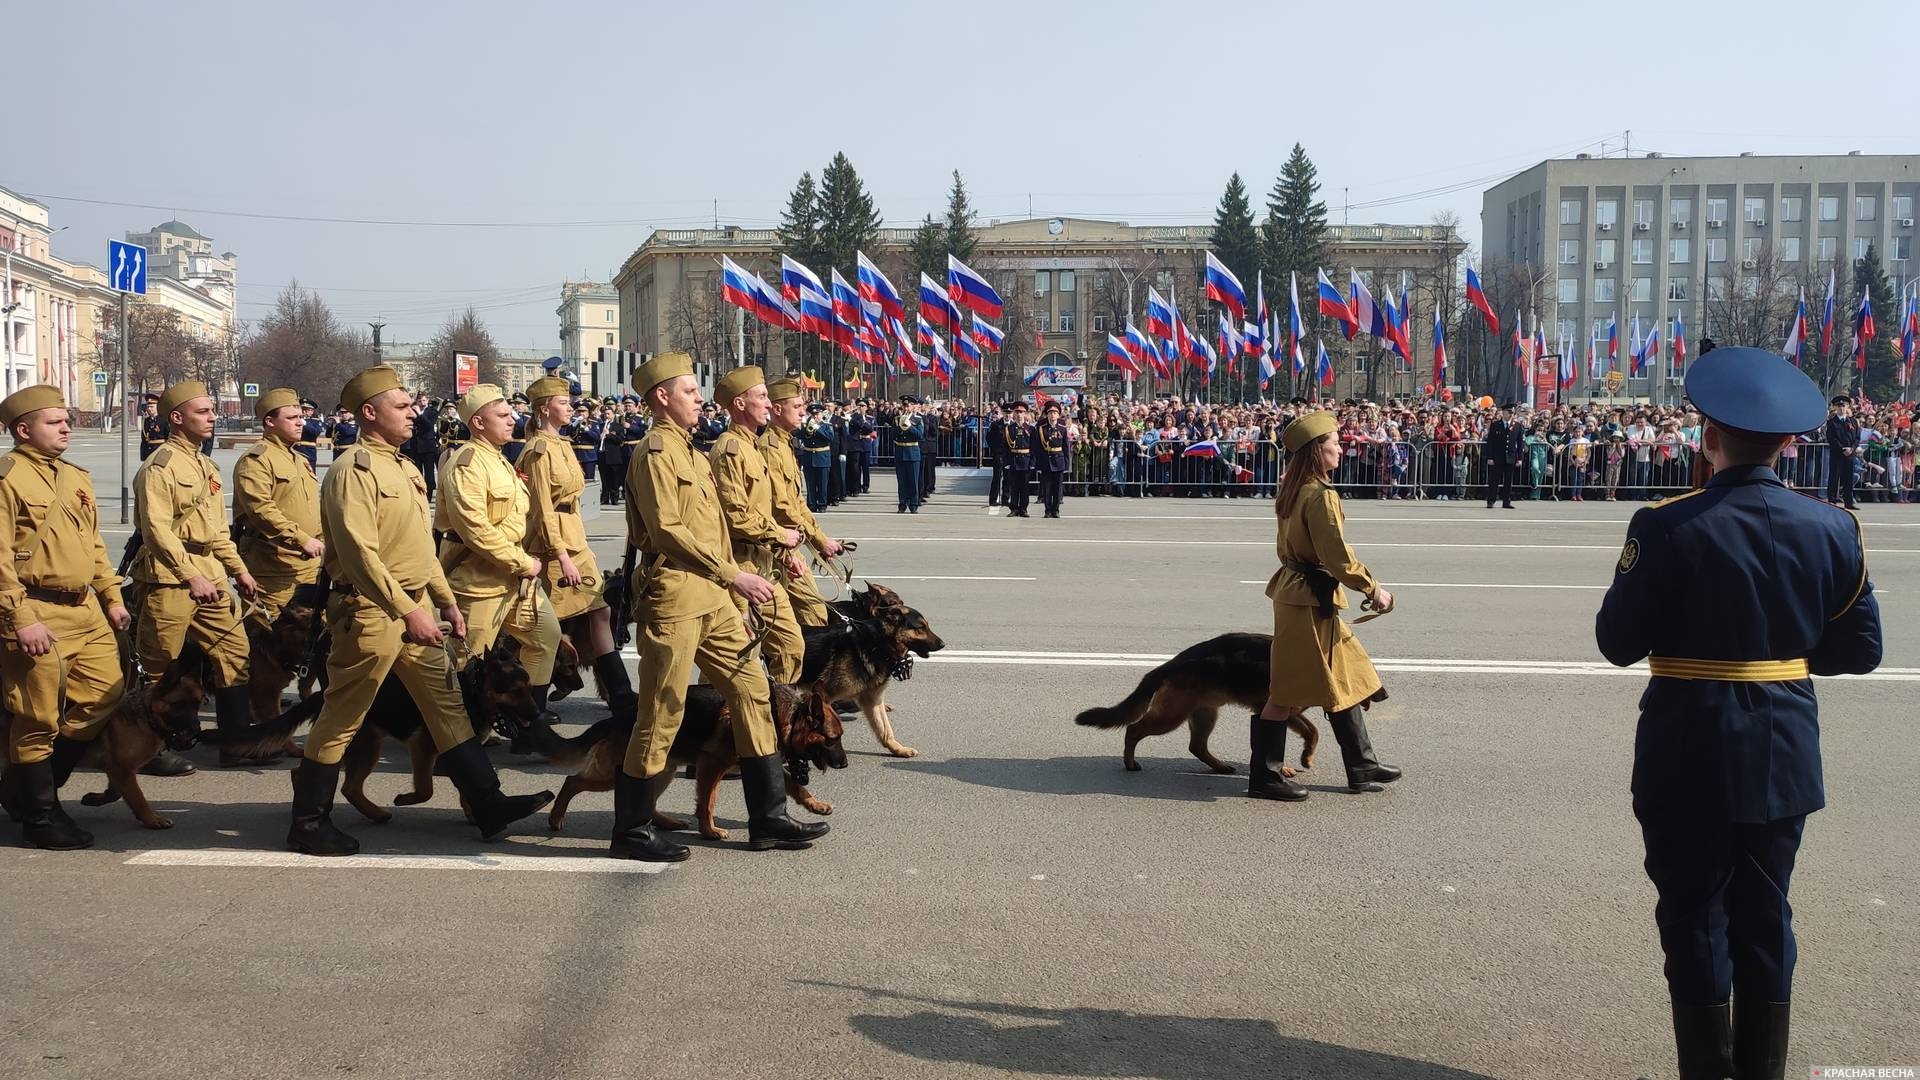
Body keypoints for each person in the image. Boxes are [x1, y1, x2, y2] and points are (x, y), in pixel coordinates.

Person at [1596, 347, 1882, 1080]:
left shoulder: (1666, 525)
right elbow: (1862, 649)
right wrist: (1776, 648)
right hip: (1784, 743)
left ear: (1707, 435)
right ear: (1789, 443)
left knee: (1694, 916)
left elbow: (1617, 643)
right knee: (1767, 918)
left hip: (1686, 742)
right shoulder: (1833, 527)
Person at [287, 366, 553, 857]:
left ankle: (487, 802)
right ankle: (307, 821)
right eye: (401, 406)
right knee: (344, 714)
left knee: (448, 706)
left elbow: (421, 549)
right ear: (370, 413)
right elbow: (360, 554)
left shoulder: (407, 468)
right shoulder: (353, 470)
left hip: (417, 608)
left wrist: (446, 601)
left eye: (411, 406)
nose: (413, 414)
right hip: (370, 611)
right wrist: (409, 611)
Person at [615, 352, 828, 862]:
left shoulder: (691, 451)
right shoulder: (658, 451)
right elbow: (668, 530)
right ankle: (630, 829)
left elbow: (716, 527)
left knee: (754, 689)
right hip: (674, 596)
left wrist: (735, 577)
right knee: (662, 710)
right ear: (662, 397)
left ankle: (768, 817)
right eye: (689, 391)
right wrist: (735, 574)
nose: (697, 399)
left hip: (714, 594)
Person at [0, 386, 132, 849]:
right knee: (37, 717)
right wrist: (18, 618)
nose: (66, 427)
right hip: (35, 610)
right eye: (55, 421)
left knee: (105, 694)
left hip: (86, 609)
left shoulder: (74, 477)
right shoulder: (8, 477)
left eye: (66, 420)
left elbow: (94, 545)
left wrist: (112, 596)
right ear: (23, 429)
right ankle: (39, 815)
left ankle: (28, 787)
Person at [1253, 410, 1402, 802]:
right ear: (1316, 450)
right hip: (1308, 600)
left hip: (1302, 594)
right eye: (1334, 441)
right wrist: (1375, 589)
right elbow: (1338, 557)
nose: (1341, 446)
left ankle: (1362, 764)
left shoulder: (1295, 488)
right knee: (1285, 692)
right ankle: (1264, 776)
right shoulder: (1320, 496)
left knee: (1347, 676)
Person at [130, 381, 262, 763]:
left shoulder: (205, 464)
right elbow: (156, 531)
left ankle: (236, 744)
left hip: (210, 575)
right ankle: (151, 751)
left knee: (235, 653)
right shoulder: (160, 467)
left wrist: (239, 571)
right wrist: (190, 576)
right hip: (169, 579)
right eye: (203, 411)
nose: (213, 417)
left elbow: (217, 529)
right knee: (159, 669)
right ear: (176, 418)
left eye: (211, 410)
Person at [433, 384, 562, 716]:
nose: (512, 420)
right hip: (477, 580)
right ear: (478, 422)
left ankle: (524, 720)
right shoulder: (468, 463)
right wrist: (523, 562)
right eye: (502, 415)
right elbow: (475, 530)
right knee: (469, 661)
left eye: (511, 414)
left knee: (546, 637)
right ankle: (463, 735)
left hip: (513, 577)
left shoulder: (498, 458)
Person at [520, 379, 633, 714]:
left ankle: (621, 694)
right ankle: (528, 705)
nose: (570, 407)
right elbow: (541, 509)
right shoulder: (537, 451)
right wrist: (562, 555)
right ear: (544, 409)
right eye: (563, 402)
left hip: (573, 540)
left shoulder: (563, 444)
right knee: (544, 628)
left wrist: (582, 547)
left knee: (600, 612)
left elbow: (572, 503)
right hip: (552, 545)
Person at [707, 366, 806, 684]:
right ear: (739, 403)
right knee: (739, 656)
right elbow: (736, 516)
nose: (768, 403)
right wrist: (782, 536)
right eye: (761, 396)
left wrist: (783, 550)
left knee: (790, 646)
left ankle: (779, 718)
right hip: (742, 567)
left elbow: (764, 511)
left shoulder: (751, 447)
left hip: (766, 563)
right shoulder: (729, 450)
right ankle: (716, 719)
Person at [231, 388, 323, 630]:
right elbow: (260, 510)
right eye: (291, 418)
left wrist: (323, 538)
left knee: (305, 640)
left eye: (300, 416)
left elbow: (312, 506)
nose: (300, 422)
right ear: (269, 422)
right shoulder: (256, 460)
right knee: (269, 639)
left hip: (307, 566)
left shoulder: (299, 459)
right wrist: (302, 539)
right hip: (273, 570)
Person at [761, 378, 847, 628]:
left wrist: (820, 539)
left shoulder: (784, 443)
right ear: (777, 409)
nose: (803, 411)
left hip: (790, 542)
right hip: (778, 547)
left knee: (796, 626)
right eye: (796, 405)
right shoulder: (770, 448)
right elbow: (782, 507)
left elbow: (797, 502)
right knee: (813, 618)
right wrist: (818, 540)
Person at [1823, 395, 1860, 509]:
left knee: (1848, 478)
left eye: (1844, 406)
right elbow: (1832, 438)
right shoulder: (1832, 422)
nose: (1842, 408)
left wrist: (1852, 449)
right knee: (1834, 477)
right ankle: (1832, 500)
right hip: (1837, 454)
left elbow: (1857, 438)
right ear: (1835, 407)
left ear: (1848, 406)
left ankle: (1848, 502)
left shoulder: (1853, 421)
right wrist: (1842, 449)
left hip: (1850, 454)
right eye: (1839, 406)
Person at [800, 404, 836, 512]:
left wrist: (818, 428)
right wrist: (807, 428)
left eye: (817, 414)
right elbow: (800, 436)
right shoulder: (806, 425)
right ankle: (811, 504)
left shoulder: (826, 426)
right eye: (813, 414)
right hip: (809, 457)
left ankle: (822, 504)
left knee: (822, 483)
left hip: (822, 457)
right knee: (810, 483)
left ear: (821, 414)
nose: (815, 417)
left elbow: (830, 438)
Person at [1036, 401, 1069, 518]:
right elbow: (1038, 447)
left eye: (1055, 413)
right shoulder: (1042, 429)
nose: (1052, 415)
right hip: (1046, 460)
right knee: (1047, 488)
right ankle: (1048, 510)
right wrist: (1038, 464)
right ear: (1047, 415)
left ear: (1058, 415)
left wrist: (1066, 464)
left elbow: (1066, 447)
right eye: (1050, 413)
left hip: (1059, 460)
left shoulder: (1062, 429)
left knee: (1057, 487)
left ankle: (1056, 509)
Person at [1483, 404, 1519, 509]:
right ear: (1503, 413)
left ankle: (1506, 501)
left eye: (1512, 413)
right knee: (1494, 480)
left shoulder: (1517, 425)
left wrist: (1519, 458)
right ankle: (1491, 500)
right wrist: (1490, 457)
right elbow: (1491, 442)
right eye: (1509, 412)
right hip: (1497, 457)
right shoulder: (1495, 425)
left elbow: (1519, 443)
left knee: (1508, 481)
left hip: (1510, 457)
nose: (1511, 415)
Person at [1002, 401, 1033, 517]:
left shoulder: (1030, 429)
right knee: (1014, 486)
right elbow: (1005, 447)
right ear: (1014, 414)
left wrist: (1032, 462)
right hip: (1014, 459)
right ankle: (1014, 508)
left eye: (1022, 412)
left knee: (1025, 486)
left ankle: (1023, 508)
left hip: (1025, 460)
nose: (1019, 415)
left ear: (1025, 414)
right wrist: (1006, 462)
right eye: (1017, 412)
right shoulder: (1009, 429)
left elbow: (1033, 447)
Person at [892, 397, 923, 513]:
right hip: (900, 452)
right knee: (902, 482)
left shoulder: (918, 419)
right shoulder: (896, 419)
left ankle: (913, 504)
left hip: (912, 453)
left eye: (908, 405)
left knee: (913, 481)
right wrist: (900, 427)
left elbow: (920, 435)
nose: (906, 407)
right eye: (904, 405)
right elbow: (892, 435)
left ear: (912, 406)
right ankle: (902, 504)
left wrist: (909, 427)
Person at [295, 399, 325, 470]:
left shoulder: (316, 422)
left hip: (308, 450)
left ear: (312, 411)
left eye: (307, 410)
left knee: (310, 471)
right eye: (302, 409)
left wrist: (305, 424)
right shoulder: (295, 420)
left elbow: (315, 432)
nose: (304, 412)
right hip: (295, 448)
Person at [138, 394, 167, 460]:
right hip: (149, 452)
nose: (149, 409)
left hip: (161, 451)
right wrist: (143, 456)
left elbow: (169, 438)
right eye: (148, 407)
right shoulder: (146, 421)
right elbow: (144, 440)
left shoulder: (164, 420)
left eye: (152, 407)